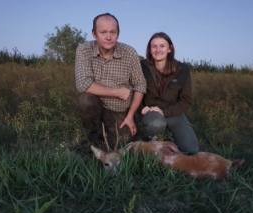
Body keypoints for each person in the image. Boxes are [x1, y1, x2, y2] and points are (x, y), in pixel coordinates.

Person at [75, 13, 146, 149]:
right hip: (95, 106)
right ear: (94, 34)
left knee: (124, 146)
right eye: (103, 32)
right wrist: (118, 92)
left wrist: (130, 115)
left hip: (119, 111)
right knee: (85, 100)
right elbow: (83, 84)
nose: (108, 37)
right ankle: (93, 140)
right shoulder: (84, 50)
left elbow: (140, 85)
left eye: (113, 32)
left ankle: (112, 133)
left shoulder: (129, 53)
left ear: (118, 34)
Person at [140, 32, 199, 155]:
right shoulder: (141, 67)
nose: (158, 50)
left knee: (191, 150)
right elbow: (133, 91)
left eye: (162, 46)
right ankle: (152, 138)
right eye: (154, 46)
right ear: (150, 50)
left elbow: (186, 101)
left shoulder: (182, 70)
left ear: (169, 49)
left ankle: (170, 134)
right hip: (150, 113)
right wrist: (141, 108)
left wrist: (164, 112)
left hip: (173, 112)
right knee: (156, 123)